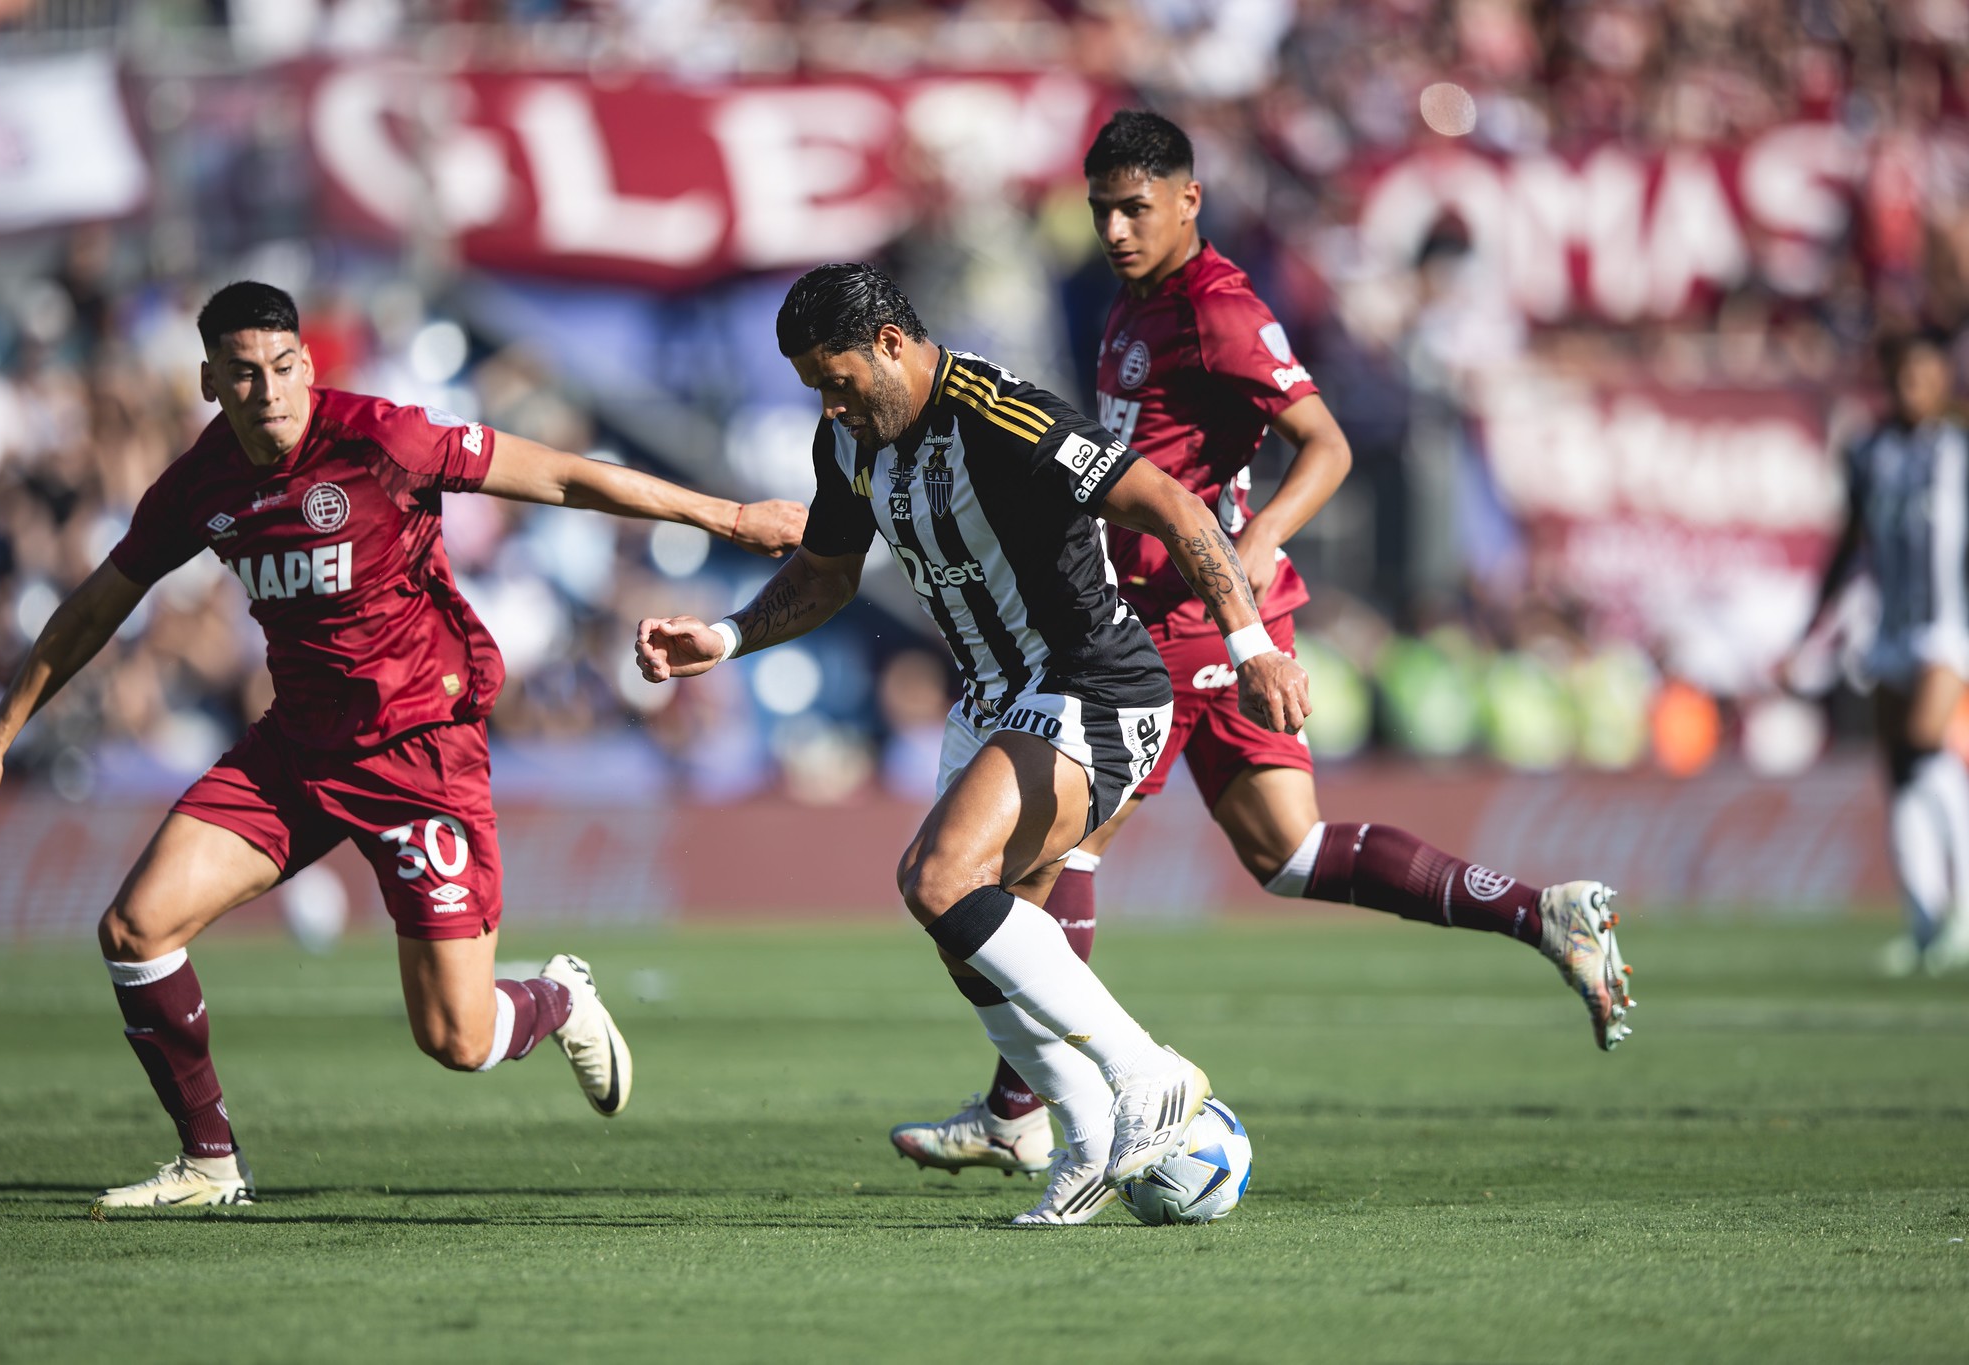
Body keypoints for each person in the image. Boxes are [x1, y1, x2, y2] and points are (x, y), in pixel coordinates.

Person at [0, 281, 807, 1208]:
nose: (268, 390)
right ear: (209, 381)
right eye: (242, 374)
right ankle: (210, 1162)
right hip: (297, 751)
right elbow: (98, 603)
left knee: (457, 1040)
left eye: (282, 367)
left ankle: (559, 997)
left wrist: (726, 515)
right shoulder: (202, 482)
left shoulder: (381, 437)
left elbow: (557, 474)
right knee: (134, 929)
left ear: (306, 363)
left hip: (423, 753)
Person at [887, 111, 1633, 1199]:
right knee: (1285, 852)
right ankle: (1538, 910)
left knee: (1055, 850)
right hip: (1189, 608)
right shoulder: (1134, 301)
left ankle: (1027, 1113)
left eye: (1134, 206)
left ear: (1188, 200)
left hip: (1180, 619)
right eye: (1100, 207)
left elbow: (1323, 443)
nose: (1113, 226)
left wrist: (1248, 546)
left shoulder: (1218, 311)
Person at [635, 261, 1312, 1225]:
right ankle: (1079, 1136)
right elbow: (826, 575)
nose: (830, 404)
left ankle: (1146, 1074)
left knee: (938, 877)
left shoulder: (1005, 417)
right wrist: (731, 634)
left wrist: (1250, 645)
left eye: (838, 380)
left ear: (892, 345)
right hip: (994, 701)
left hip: (1095, 688)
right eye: (812, 389)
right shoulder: (851, 442)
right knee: (968, 942)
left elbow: (1173, 505)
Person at [1785, 329, 1969, 976]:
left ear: (1943, 381)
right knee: (1900, 772)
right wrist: (1811, 625)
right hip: (1890, 625)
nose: (1910, 388)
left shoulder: (1960, 450)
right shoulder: (1868, 451)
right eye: (1900, 376)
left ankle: (1964, 915)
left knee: (1926, 745)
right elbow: (1848, 541)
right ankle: (1924, 922)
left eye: (1922, 376)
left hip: (1951, 623)